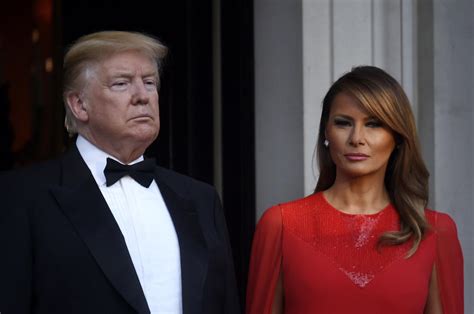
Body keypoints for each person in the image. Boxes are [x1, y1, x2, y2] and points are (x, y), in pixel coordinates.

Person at [0, 31, 240, 314]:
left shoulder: (201, 199)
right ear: (79, 105)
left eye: (149, 82)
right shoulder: (22, 196)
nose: (142, 96)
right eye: (121, 84)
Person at [246, 66, 463, 314]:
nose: (357, 138)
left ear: (398, 137)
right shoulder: (280, 225)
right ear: (326, 133)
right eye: (343, 123)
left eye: (374, 124)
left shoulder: (435, 232)